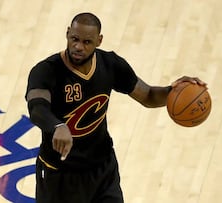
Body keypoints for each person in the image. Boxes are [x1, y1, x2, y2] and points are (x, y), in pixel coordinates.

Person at [25, 12, 206, 203]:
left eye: (87, 42)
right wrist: (57, 126)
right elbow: (37, 107)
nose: (78, 46)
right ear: (68, 33)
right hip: (60, 174)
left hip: (102, 168)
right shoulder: (46, 70)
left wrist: (174, 92)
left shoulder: (110, 64)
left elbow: (148, 96)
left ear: (99, 41)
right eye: (74, 39)